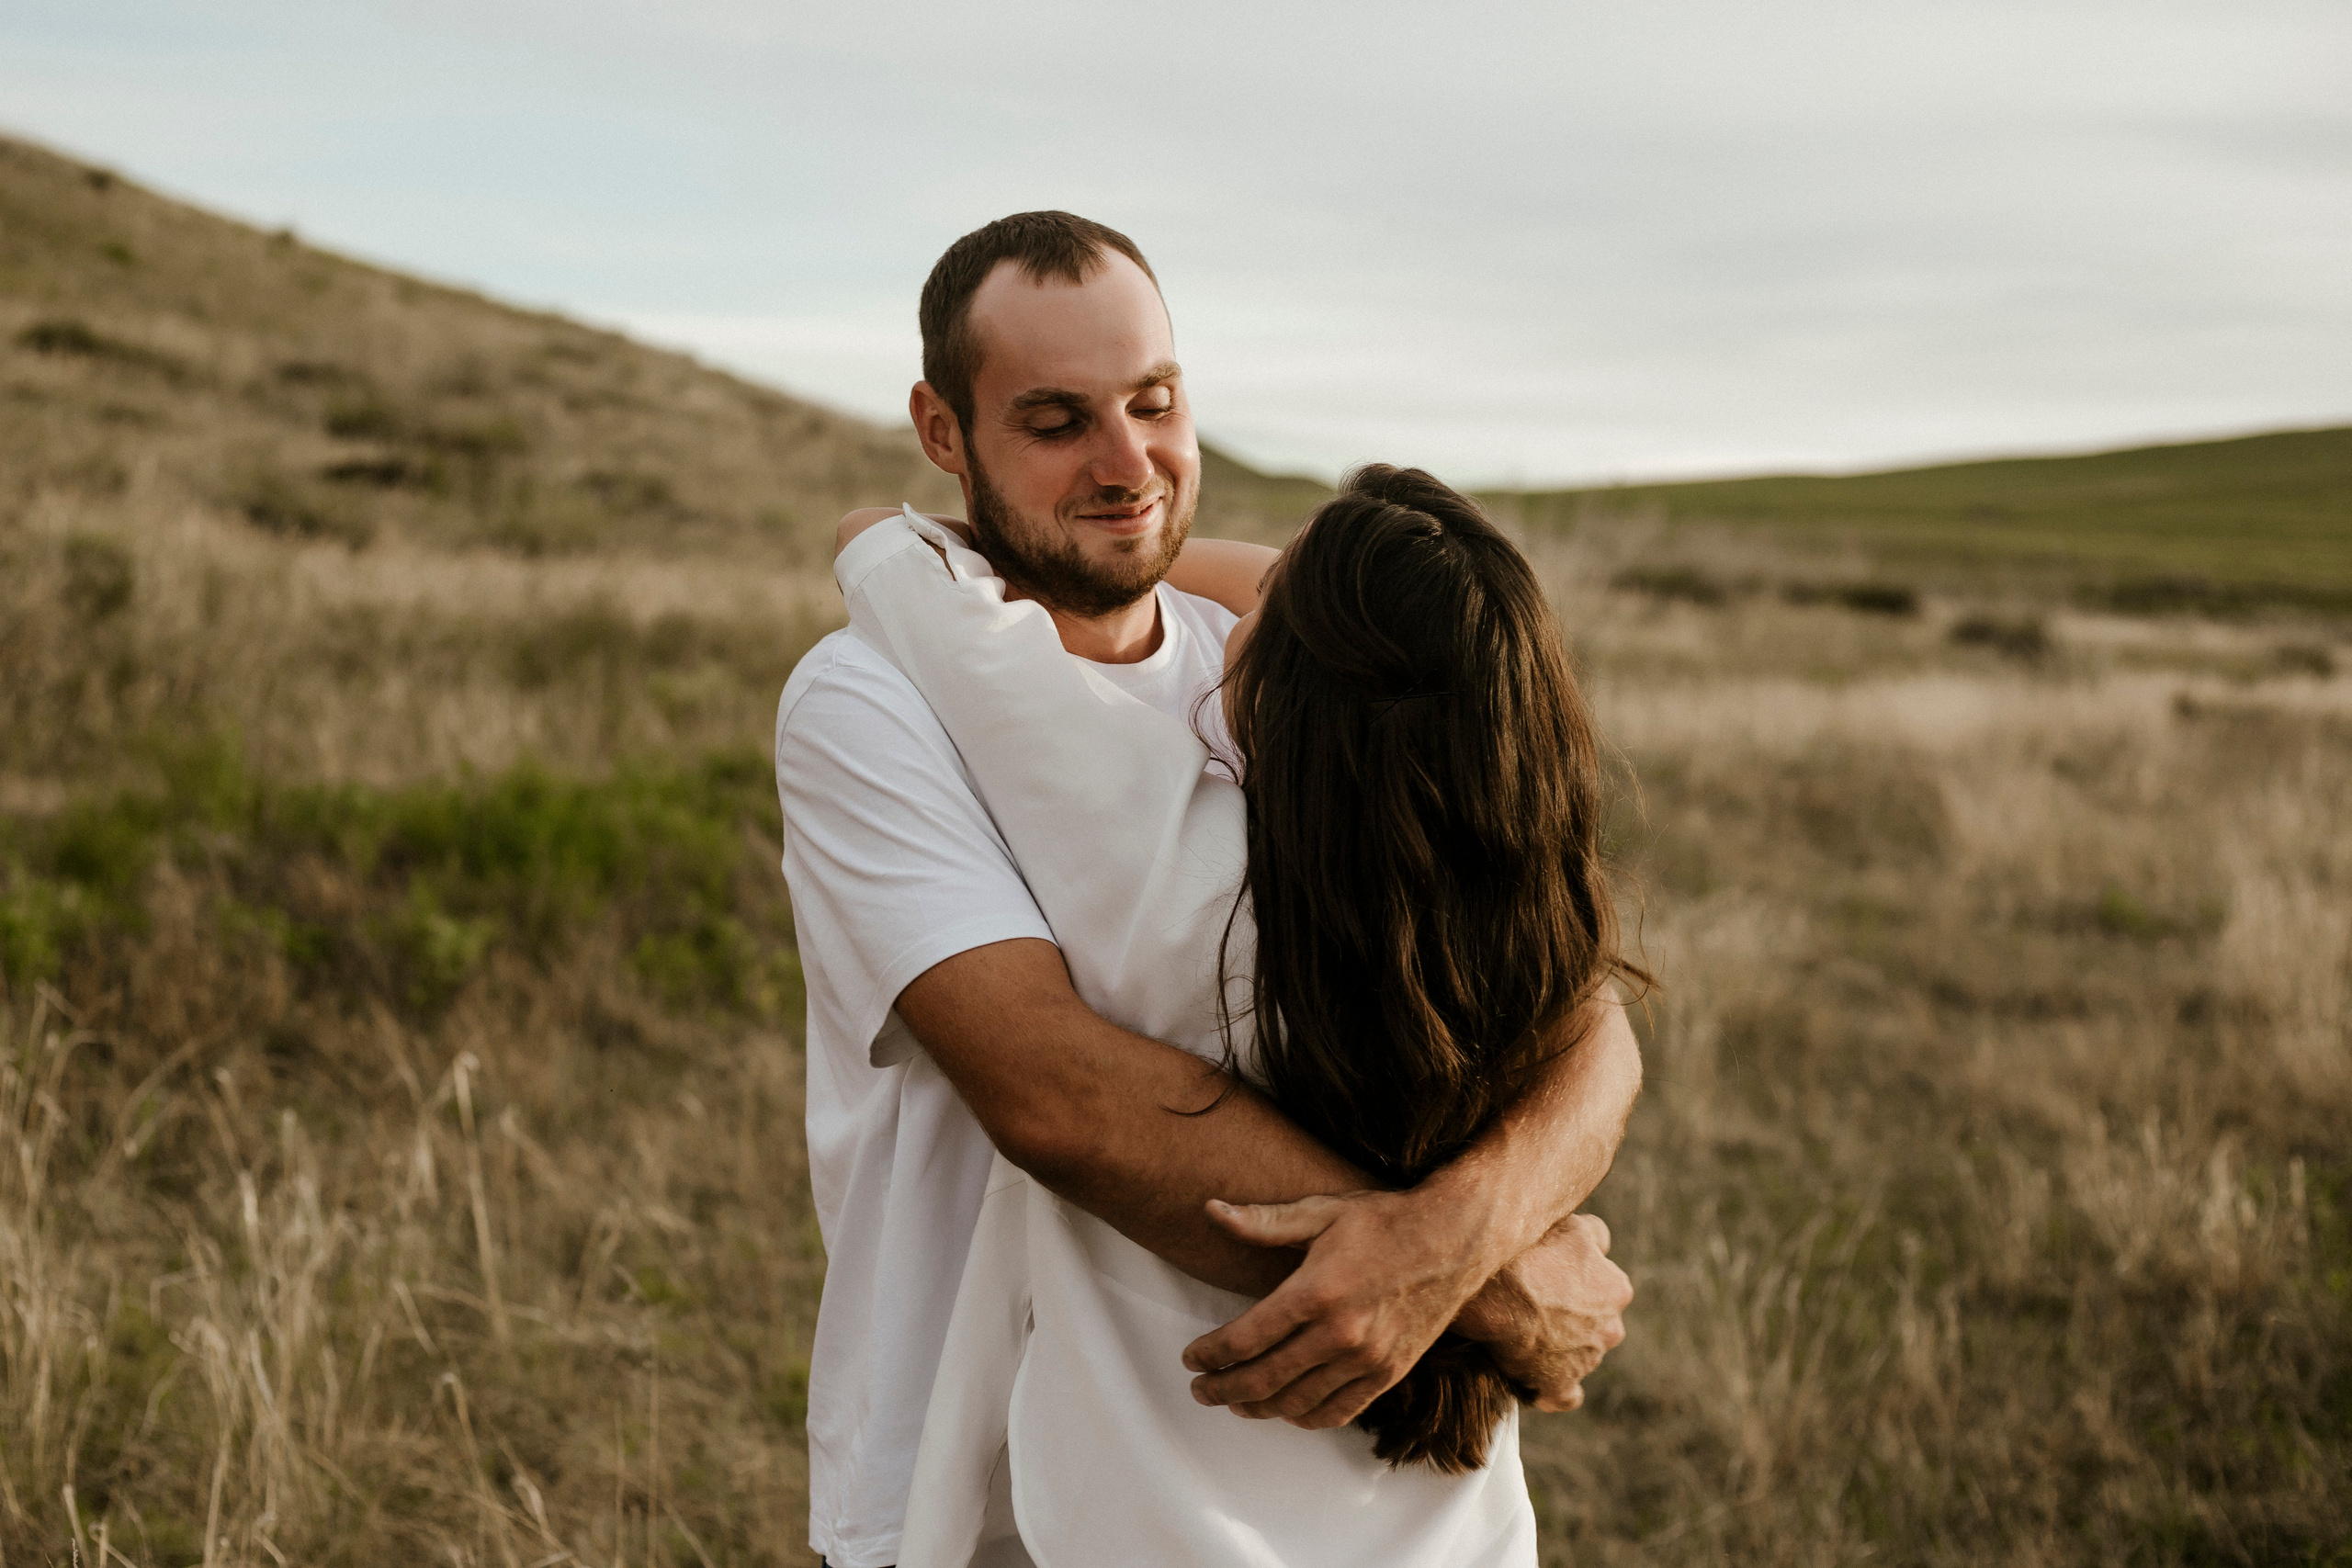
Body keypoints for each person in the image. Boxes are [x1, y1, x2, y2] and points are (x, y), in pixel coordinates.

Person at [773, 211, 1640, 1568]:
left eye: (1155, 404)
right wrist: (1480, 1278)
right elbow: (1064, 1097)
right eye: (1056, 421)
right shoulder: (876, 701)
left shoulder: (1298, 672)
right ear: (944, 434)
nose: (1127, 465)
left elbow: (1581, 1007)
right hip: (986, 1466)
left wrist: (1457, 1234)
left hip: (1362, 1493)